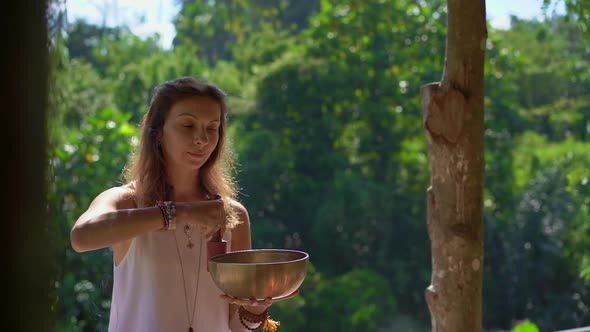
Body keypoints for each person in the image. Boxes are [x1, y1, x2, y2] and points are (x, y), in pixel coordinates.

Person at [70, 77, 298, 332]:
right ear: (157, 132)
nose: (201, 139)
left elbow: (235, 326)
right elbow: (81, 237)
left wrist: (255, 309)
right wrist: (180, 212)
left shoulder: (233, 215)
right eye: (188, 125)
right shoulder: (127, 200)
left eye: (212, 128)